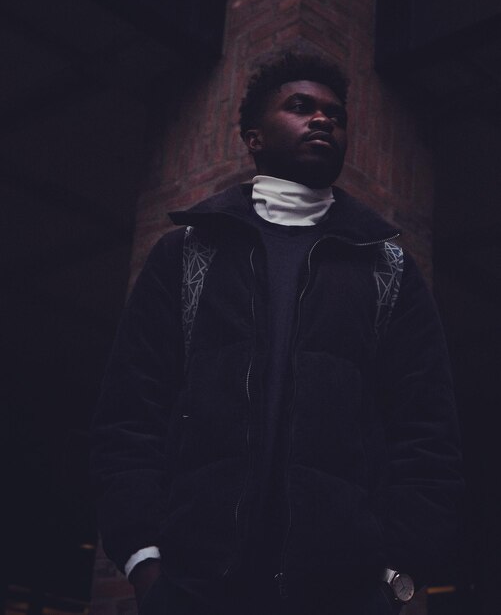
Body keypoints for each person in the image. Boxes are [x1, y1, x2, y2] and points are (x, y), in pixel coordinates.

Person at [90, 52, 464, 615]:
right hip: (195, 588)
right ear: (254, 137)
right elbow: (131, 414)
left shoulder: (387, 266)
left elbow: (426, 432)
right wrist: (145, 562)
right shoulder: (186, 253)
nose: (322, 120)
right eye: (299, 107)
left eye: (334, 114)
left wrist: (397, 576)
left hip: (343, 594)